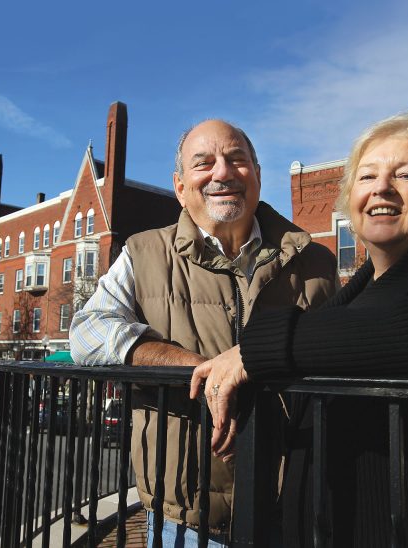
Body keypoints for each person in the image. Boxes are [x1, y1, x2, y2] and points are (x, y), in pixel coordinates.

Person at [190, 113, 408, 546]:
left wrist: (253, 350)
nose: (381, 188)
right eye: (367, 176)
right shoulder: (348, 299)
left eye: (407, 175)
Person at [71, 119, 339, 546]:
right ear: (180, 187)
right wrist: (196, 367)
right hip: (186, 523)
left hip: (295, 511)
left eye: (237, 160)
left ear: (257, 174)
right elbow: (87, 334)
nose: (222, 173)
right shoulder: (143, 253)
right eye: (204, 163)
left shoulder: (314, 261)